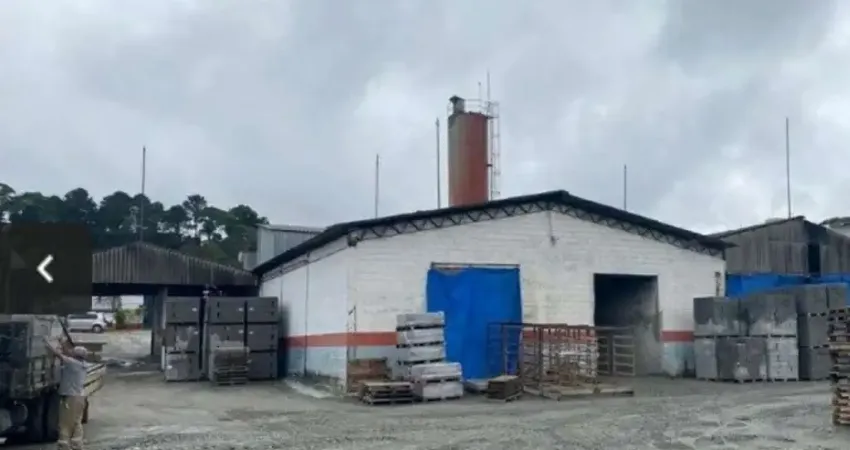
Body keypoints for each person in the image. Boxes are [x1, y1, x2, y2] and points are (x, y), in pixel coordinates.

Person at [43, 337, 89, 450]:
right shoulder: (82, 364)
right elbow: (67, 354)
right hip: (79, 397)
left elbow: (58, 354)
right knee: (76, 422)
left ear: (75, 355)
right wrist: (62, 343)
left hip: (70, 398)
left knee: (64, 423)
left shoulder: (72, 363)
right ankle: (77, 444)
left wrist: (47, 343)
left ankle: (64, 446)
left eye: (73, 352)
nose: (71, 353)